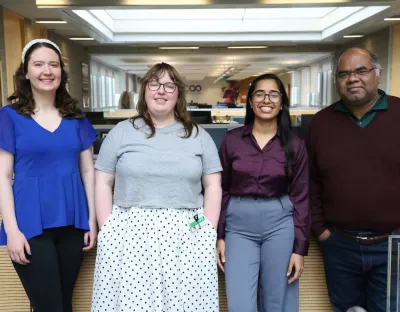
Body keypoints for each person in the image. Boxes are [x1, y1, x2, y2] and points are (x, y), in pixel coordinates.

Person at [91, 62, 222, 312]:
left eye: (169, 85)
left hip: (188, 235)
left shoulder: (198, 135)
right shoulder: (121, 132)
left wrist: (208, 231)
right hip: (130, 234)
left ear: (178, 94)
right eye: (154, 83)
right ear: (145, 90)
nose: (161, 91)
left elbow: (213, 185)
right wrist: (107, 228)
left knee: (184, 305)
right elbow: (103, 181)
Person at [0, 39, 97, 312]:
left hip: (72, 223)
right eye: (38, 64)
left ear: (61, 73)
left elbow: (88, 170)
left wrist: (91, 220)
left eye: (53, 64)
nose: (47, 71)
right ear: (26, 72)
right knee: (49, 307)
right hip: (30, 225)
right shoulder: (9, 116)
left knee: (64, 304)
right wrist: (12, 231)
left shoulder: (75, 117)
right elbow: (3, 176)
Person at [308, 47, 400, 312]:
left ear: (378, 75)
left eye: (361, 71)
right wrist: (321, 231)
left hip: (393, 246)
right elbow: (312, 182)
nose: (352, 79)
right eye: (344, 74)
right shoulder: (321, 123)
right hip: (340, 246)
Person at [216, 73, 310, 312]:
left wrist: (300, 249)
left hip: (279, 222)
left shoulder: (295, 144)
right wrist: (220, 234)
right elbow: (222, 189)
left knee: (278, 299)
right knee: (240, 303)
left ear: (281, 103)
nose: (266, 99)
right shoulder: (232, 140)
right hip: (238, 224)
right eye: (259, 93)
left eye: (273, 94)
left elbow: (300, 197)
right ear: (250, 102)